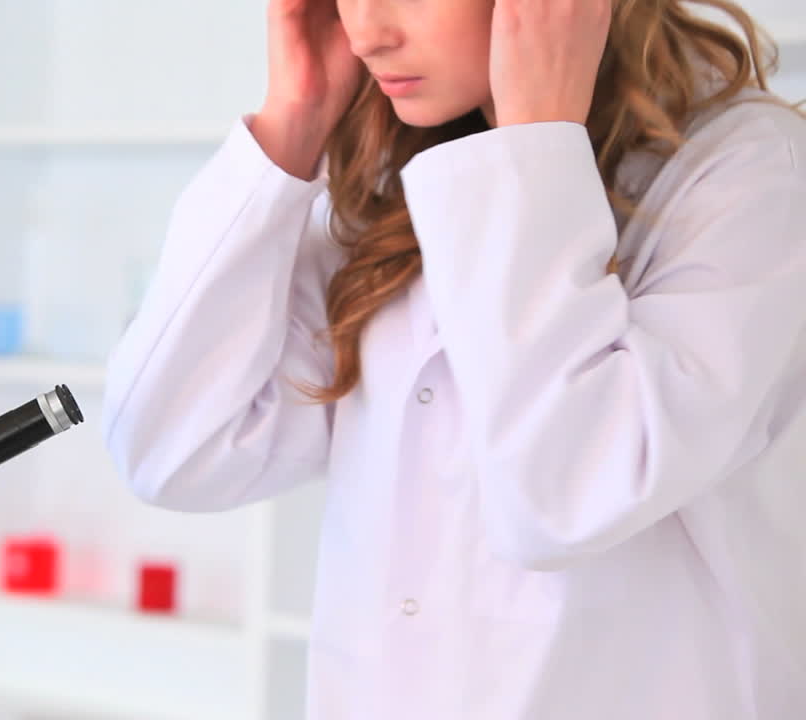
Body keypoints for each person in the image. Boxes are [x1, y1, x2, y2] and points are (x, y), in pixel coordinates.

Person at [101, 0, 806, 717]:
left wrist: (536, 148)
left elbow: (565, 500)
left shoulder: (749, 174)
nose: (367, 31)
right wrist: (297, 114)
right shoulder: (395, 183)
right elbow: (171, 451)